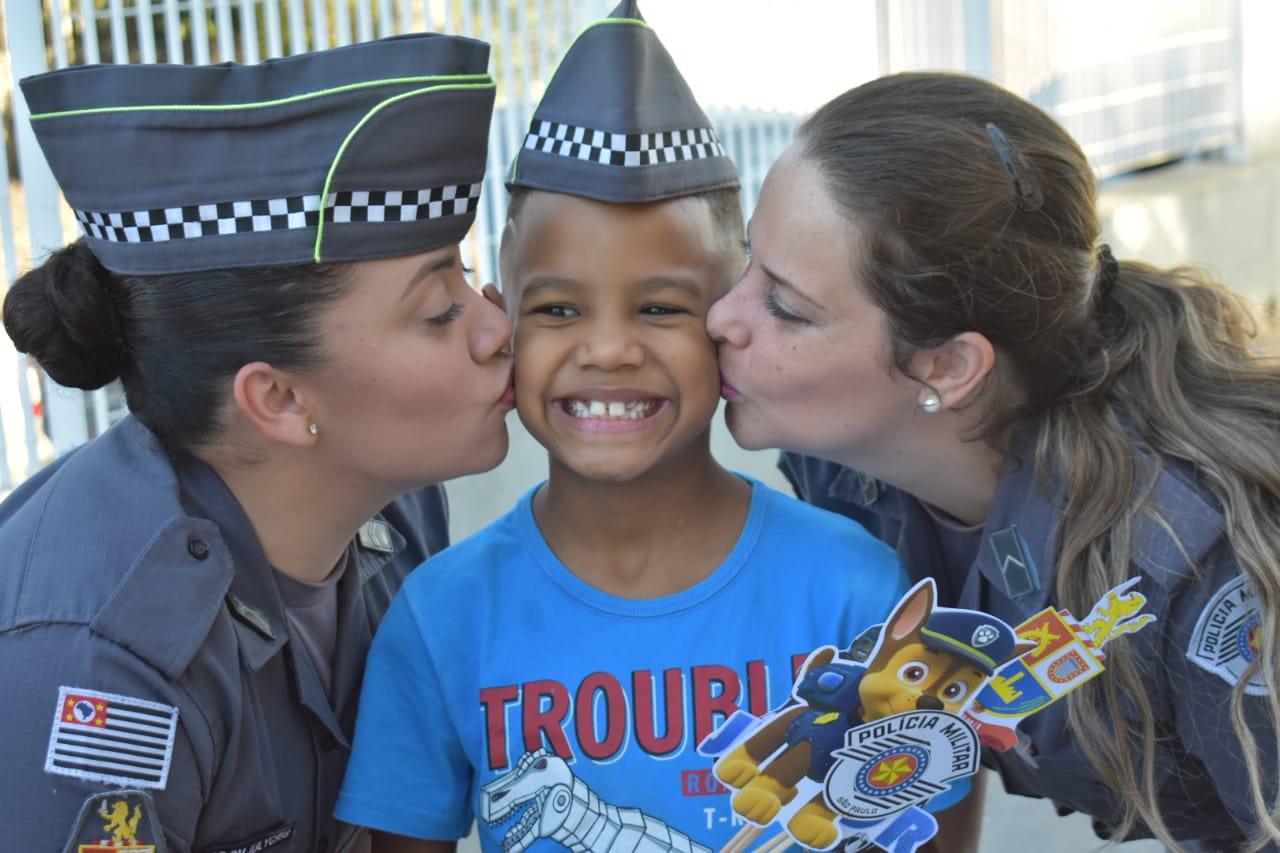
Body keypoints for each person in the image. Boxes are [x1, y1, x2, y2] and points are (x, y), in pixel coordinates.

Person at [333, 4, 916, 852]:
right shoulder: (442, 617)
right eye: (558, 308)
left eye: (660, 308)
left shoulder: (855, 593)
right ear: (503, 322)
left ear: (728, 318)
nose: (608, 349)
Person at [706, 70, 1280, 853]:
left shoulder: (1197, 565)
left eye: (785, 306)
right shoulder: (840, 470)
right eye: (749, 260)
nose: (721, 317)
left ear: (948, 367)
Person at [0, 34, 513, 852]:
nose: (496, 326)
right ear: (278, 398)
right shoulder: (99, 660)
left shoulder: (398, 507)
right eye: (439, 310)